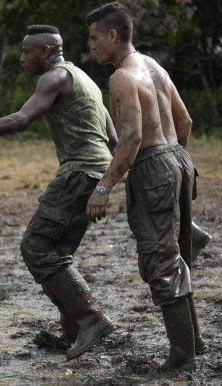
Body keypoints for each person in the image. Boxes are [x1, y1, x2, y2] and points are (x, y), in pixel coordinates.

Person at [0, 25, 116, 361]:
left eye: (26, 51)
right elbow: (113, 139)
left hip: (78, 173)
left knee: (36, 247)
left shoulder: (54, 78)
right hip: (92, 173)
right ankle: (72, 329)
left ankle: (92, 320)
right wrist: (106, 182)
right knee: (56, 251)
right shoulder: (84, 78)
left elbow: (21, 119)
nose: (21, 59)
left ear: (45, 51)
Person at [85, 2, 207, 370]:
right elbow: (184, 121)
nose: (91, 46)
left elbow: (132, 138)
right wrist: (176, 167)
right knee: (177, 258)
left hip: (154, 165)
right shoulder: (154, 67)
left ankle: (183, 357)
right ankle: (195, 344)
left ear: (112, 35)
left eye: (94, 38)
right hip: (178, 160)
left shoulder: (122, 77)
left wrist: (103, 187)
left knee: (161, 262)